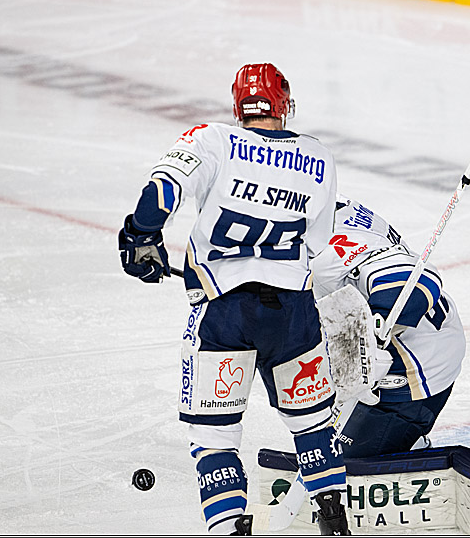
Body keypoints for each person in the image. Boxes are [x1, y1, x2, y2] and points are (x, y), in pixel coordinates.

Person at [118, 63, 350, 535]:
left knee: (215, 438)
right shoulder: (318, 157)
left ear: (239, 105)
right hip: (292, 314)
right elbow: (318, 241)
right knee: (313, 428)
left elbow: (160, 192)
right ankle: (335, 523)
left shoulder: (213, 139)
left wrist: (141, 236)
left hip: (223, 311)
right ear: (283, 103)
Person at [305, 195, 470, 531]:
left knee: (347, 475)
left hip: (415, 367)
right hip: (414, 351)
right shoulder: (326, 211)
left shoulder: (330, 244)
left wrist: (374, 331)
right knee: (323, 443)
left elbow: (412, 283)